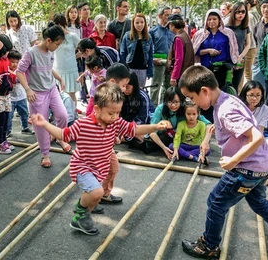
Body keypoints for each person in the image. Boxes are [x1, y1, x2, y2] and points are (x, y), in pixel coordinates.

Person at [179, 65, 268, 260]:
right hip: (262, 165)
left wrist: (233, 159)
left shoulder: (225, 109)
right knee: (259, 203)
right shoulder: (227, 100)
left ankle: (209, 245)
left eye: (192, 97)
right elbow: (228, 126)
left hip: (246, 169)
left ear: (204, 91)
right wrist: (207, 138)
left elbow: (256, 136)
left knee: (216, 202)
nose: (192, 103)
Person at [30, 82, 171, 235]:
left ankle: (80, 219)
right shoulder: (83, 124)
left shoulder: (115, 123)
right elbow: (64, 135)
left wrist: (156, 126)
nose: (115, 117)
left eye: (118, 112)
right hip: (82, 167)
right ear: (97, 109)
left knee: (95, 197)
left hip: (99, 169)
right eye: (111, 113)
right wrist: (44, 123)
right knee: (97, 192)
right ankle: (80, 210)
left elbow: (135, 129)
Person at [15, 24, 70, 168]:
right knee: (41, 124)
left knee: (63, 115)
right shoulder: (31, 53)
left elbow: (50, 69)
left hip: (51, 89)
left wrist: (60, 79)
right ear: (48, 41)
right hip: (37, 94)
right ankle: (45, 154)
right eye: (57, 44)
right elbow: (19, 72)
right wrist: (27, 90)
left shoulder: (50, 52)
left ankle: (59, 137)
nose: (57, 47)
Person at [192, 8, 239, 122]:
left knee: (218, 95)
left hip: (221, 69)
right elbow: (194, 50)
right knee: (205, 93)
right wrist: (208, 51)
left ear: (219, 20)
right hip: (205, 69)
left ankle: (219, 120)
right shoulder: (200, 34)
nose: (211, 21)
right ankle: (206, 120)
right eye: (209, 19)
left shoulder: (227, 33)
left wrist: (232, 65)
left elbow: (232, 50)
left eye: (214, 19)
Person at [148, 86, 212, 159]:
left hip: (185, 141)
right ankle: (189, 155)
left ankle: (186, 154)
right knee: (167, 144)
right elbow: (152, 132)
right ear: (165, 101)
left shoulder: (187, 108)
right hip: (167, 139)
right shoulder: (160, 109)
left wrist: (205, 142)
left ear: (181, 101)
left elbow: (209, 125)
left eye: (176, 102)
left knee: (207, 148)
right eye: (170, 102)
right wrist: (164, 148)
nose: (173, 105)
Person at [100, 63, 131, 205]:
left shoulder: (114, 98)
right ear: (113, 82)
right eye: (124, 85)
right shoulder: (101, 98)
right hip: (97, 145)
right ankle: (91, 200)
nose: (125, 89)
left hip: (106, 143)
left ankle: (103, 194)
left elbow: (114, 122)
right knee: (101, 172)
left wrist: (114, 135)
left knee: (112, 168)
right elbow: (95, 123)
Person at [51, 13, 81, 109]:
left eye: (59, 25)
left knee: (70, 95)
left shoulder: (72, 36)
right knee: (58, 96)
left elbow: (83, 49)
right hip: (57, 70)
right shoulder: (53, 38)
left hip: (70, 70)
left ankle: (73, 115)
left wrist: (74, 57)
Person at [121, 72, 155, 151]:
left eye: (128, 87)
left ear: (134, 85)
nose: (125, 90)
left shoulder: (142, 96)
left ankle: (128, 137)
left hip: (144, 122)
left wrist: (128, 130)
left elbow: (144, 118)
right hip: (130, 124)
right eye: (123, 86)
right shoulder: (122, 95)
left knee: (140, 137)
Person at [119, 13, 154, 88]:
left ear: (145, 23)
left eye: (142, 22)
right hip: (130, 69)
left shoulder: (148, 37)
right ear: (133, 23)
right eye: (137, 22)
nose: (139, 25)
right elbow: (122, 53)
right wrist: (124, 69)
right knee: (128, 91)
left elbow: (150, 55)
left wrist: (150, 71)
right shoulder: (127, 35)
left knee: (140, 91)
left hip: (142, 69)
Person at [238, 81, 268, 148]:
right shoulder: (238, 107)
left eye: (258, 95)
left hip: (255, 139)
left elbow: (260, 130)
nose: (254, 99)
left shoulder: (266, 110)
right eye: (251, 95)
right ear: (245, 94)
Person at [149, 6, 174, 106]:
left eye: (170, 15)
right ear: (160, 16)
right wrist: (153, 60)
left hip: (169, 62)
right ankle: (152, 107)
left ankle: (164, 107)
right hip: (158, 62)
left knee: (168, 87)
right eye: (166, 15)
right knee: (156, 86)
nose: (168, 17)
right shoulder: (153, 31)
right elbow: (148, 49)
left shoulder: (171, 31)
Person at [6, 49, 34, 137]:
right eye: (12, 62)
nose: (15, 64)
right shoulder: (6, 71)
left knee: (24, 113)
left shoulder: (20, 71)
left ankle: (25, 127)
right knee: (9, 116)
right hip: (10, 98)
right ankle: (8, 130)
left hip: (21, 97)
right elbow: (13, 80)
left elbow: (19, 79)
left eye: (17, 62)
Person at [226, 2, 251, 92]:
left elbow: (248, 44)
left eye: (243, 11)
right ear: (233, 13)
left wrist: (240, 56)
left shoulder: (245, 27)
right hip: (228, 60)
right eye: (238, 12)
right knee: (226, 85)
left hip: (240, 60)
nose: (240, 14)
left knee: (235, 85)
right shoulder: (227, 28)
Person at [166, 14, 194, 88]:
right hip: (186, 73)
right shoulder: (185, 35)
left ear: (172, 25)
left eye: (169, 25)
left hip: (180, 75)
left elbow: (179, 59)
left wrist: (174, 76)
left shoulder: (178, 38)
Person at [242, 0, 260, 83]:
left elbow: (251, 31)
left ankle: (248, 91)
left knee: (247, 73)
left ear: (248, 5)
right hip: (253, 46)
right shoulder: (255, 14)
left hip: (250, 46)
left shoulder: (249, 16)